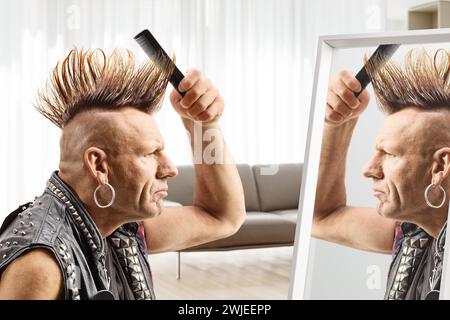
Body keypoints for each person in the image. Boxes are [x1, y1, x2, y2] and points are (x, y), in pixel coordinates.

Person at [0, 48, 246, 300]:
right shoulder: (40, 268)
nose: (170, 169)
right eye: (151, 153)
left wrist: (202, 125)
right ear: (99, 167)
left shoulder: (117, 225)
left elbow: (221, 216)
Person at [313, 49, 449, 300]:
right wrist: (340, 122)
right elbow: (320, 217)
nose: (368, 170)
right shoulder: (414, 232)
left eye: (389, 153)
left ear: (440, 167)